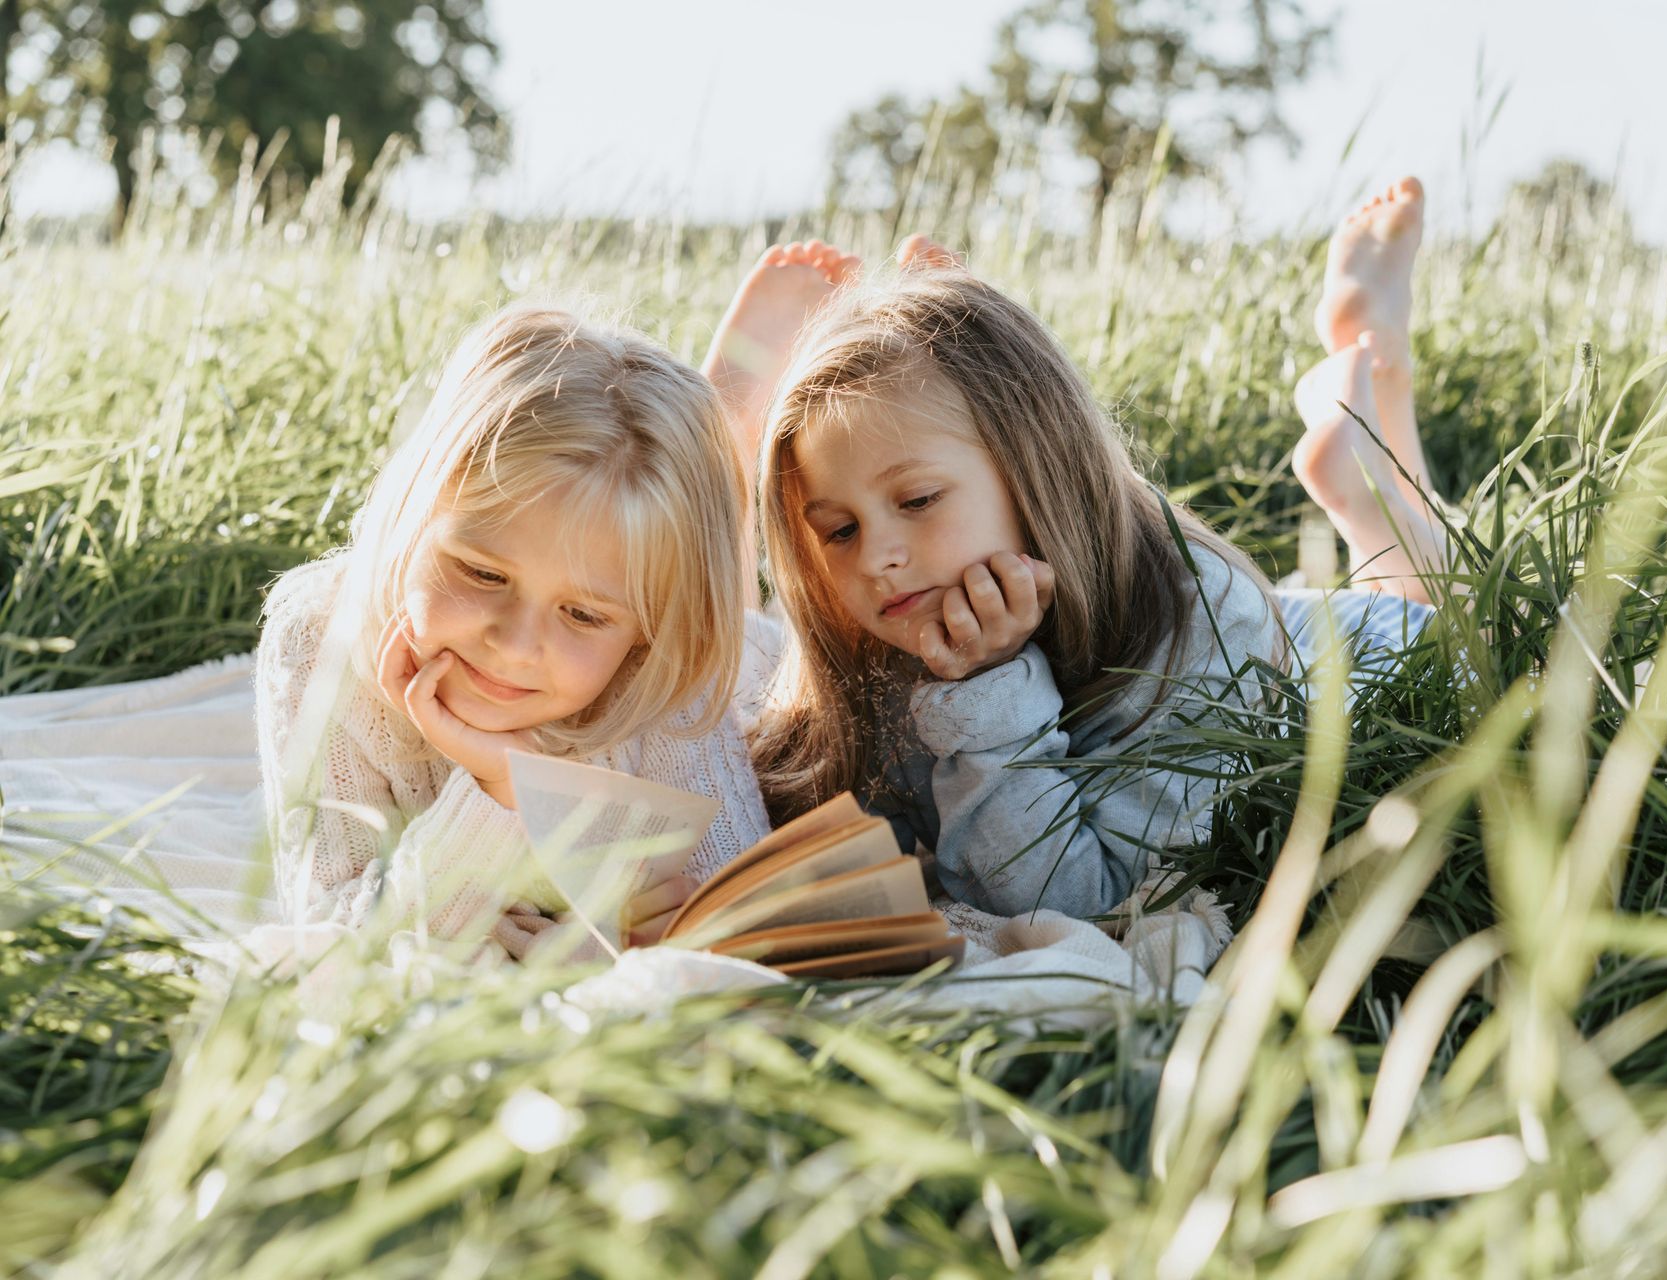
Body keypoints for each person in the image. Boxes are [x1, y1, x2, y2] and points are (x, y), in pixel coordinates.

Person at [736, 220, 1430, 921]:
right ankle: (1369, 461)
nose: (876, 557)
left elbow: (1075, 901)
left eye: (917, 500)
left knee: (1432, 594)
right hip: (1294, 613)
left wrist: (986, 689)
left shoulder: (1204, 627)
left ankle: (1383, 424)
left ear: (1036, 466)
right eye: (839, 530)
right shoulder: (894, 623)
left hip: (1363, 651)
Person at [258, 303, 774, 960]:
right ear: (414, 516)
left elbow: (738, 907)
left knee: (758, 642)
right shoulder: (318, 639)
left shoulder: (665, 670)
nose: (517, 644)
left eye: (584, 614)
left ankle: (738, 444)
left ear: (646, 634)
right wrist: (498, 788)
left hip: (759, 670)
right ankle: (732, 429)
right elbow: (334, 936)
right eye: (482, 573)